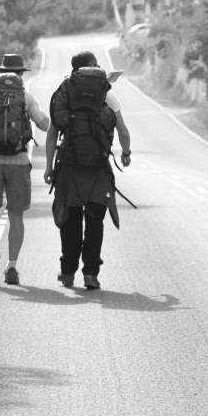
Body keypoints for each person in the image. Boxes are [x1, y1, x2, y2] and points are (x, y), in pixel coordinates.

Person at [43, 51, 131, 290]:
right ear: (93, 67)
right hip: (98, 170)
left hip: (70, 168)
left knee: (70, 221)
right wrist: (125, 153)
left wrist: (49, 166)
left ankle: (68, 272)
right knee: (95, 222)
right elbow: (123, 131)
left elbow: (52, 134)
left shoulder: (66, 92)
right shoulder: (107, 94)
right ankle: (91, 274)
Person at [0, 54, 50, 285]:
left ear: (0, 72)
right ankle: (12, 267)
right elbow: (44, 124)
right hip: (19, 161)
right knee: (16, 215)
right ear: (21, 74)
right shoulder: (25, 96)